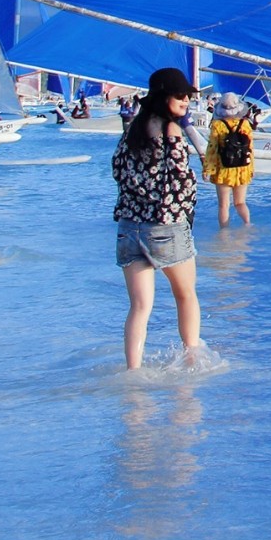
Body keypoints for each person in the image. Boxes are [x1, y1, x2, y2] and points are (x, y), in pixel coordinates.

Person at [114, 68, 203, 369]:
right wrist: (186, 216)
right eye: (180, 96)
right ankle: (193, 361)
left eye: (188, 96)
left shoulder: (131, 131)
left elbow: (117, 171)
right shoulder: (171, 131)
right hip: (165, 225)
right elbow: (181, 181)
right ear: (164, 97)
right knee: (186, 295)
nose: (186, 101)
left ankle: (133, 372)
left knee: (139, 307)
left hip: (128, 227)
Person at [201, 92, 256, 227]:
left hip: (223, 168)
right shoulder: (245, 124)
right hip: (243, 168)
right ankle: (248, 225)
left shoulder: (217, 125)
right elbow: (250, 148)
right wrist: (251, 169)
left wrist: (207, 168)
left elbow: (212, 149)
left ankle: (224, 234)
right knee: (240, 202)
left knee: (224, 205)